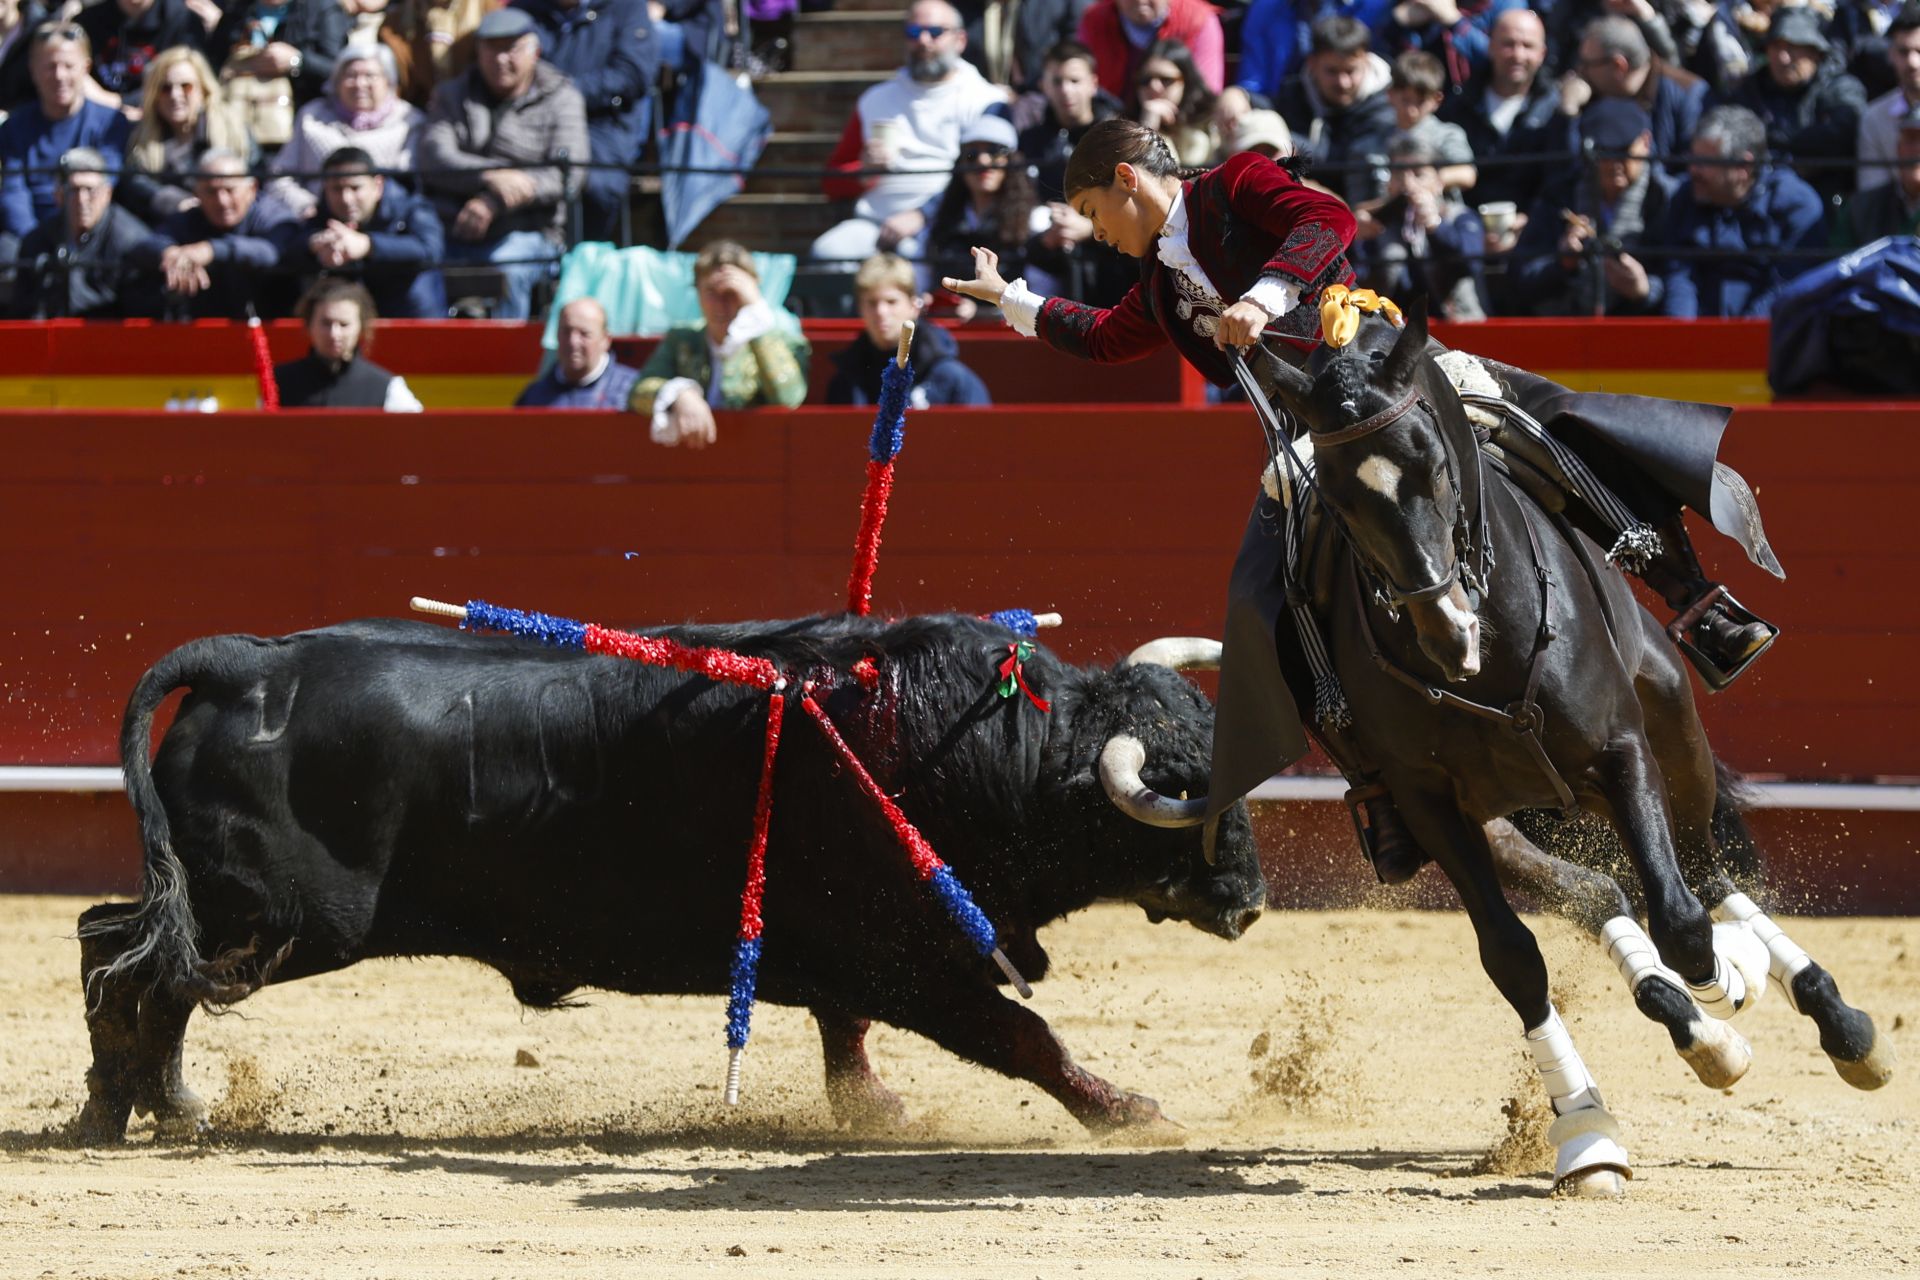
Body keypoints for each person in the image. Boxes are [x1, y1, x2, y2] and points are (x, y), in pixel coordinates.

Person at [942, 115, 1783, 886]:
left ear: (1128, 178)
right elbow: (1101, 337)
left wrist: (1265, 296)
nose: (1099, 234)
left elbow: (1329, 222)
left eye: (1095, 210)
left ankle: (1690, 599)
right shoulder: (1164, 285)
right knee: (1266, 603)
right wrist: (1009, 300)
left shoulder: (1234, 185)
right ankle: (1377, 783)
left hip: (1381, 377)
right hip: (1308, 446)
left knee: (1538, 428)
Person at [419, 6, 588, 319]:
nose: (500, 60)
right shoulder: (452, 94)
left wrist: (493, 202)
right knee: (417, 260)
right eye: (491, 49)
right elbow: (434, 156)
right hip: (451, 225)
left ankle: (507, 363)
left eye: (511, 49)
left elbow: (568, 175)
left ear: (534, 51)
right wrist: (491, 175)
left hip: (531, 229)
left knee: (507, 270)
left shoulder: (561, 96)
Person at [814, 0, 1009, 267]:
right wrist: (863, 172)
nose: (924, 41)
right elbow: (831, 181)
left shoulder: (986, 99)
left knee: (916, 262)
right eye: (914, 33)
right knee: (828, 253)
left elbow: (992, 176)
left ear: (960, 39)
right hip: (873, 221)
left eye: (936, 32)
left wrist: (922, 215)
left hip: (946, 223)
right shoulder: (875, 99)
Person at [626, 242, 811, 443]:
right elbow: (638, 393)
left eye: (732, 293)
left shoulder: (783, 340)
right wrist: (680, 394)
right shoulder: (682, 338)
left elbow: (789, 399)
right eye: (711, 292)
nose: (721, 305)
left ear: (753, 292)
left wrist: (755, 313)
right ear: (697, 292)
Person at [1508, 96, 1674, 315]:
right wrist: (1563, 264)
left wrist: (1644, 289)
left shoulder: (1664, 197)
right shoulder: (1561, 195)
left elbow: (1682, 279)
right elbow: (1520, 278)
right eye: (1605, 152)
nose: (1615, 164)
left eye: (1624, 150)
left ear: (1645, 142)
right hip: (1568, 327)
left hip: (1640, 331)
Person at [510, 0, 657, 242]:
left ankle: (580, 259)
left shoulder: (626, 7)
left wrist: (565, 94)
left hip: (602, 123)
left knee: (596, 187)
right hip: (531, 120)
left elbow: (633, 74)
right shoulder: (525, 8)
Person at [1661, 103, 1826, 316]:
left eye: (1703, 162)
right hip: (1700, 335)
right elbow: (1680, 276)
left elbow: (1788, 288)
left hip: (1768, 338)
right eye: (1691, 158)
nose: (1693, 170)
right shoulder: (1686, 197)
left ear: (1743, 167)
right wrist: (1684, 337)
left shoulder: (1797, 205)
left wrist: (1742, 339)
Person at [0, 25, 132, 259]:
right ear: (33, 71)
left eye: (68, 66)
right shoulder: (14, 127)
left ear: (86, 68)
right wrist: (35, 242)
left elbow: (105, 183)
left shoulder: (112, 123)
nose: (59, 76)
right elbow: (14, 193)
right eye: (50, 67)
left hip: (94, 233)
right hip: (31, 234)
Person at [1720, 6, 1868, 203]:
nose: (1783, 58)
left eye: (1793, 47)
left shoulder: (1841, 88)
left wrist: (1779, 141)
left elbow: (1840, 135)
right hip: (1756, 196)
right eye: (1776, 47)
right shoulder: (1751, 89)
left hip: (1827, 199)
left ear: (1816, 52)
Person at [132, 147, 300, 318]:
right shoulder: (191, 218)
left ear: (252, 188)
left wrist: (210, 250)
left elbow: (273, 251)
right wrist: (171, 253)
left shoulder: (271, 215)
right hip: (203, 330)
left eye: (230, 190)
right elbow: (146, 244)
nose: (222, 201)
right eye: (211, 192)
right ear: (197, 194)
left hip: (270, 325)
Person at [264, 41, 423, 221]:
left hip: (385, 224)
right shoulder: (311, 116)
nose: (359, 83)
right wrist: (308, 207)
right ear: (337, 81)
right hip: (314, 221)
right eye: (350, 75)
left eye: (370, 75)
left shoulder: (409, 121)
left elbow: (410, 185)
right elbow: (279, 177)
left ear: (389, 81)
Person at [282, 144, 447, 317]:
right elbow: (290, 248)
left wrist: (368, 245)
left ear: (378, 185)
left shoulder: (411, 206)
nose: (346, 199)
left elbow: (431, 250)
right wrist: (314, 244)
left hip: (412, 319)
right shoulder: (323, 213)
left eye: (355, 188)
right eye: (336, 189)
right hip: (346, 328)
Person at [922, 113, 1056, 300]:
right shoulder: (941, 216)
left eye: (995, 152)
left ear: (1011, 160)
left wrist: (982, 310)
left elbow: (1042, 294)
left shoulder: (1036, 219)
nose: (983, 162)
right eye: (972, 154)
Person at [1354, 133, 1489, 318]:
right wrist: (1353, 236)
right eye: (1399, 173)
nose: (1408, 184)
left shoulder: (1460, 217)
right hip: (1389, 331)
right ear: (1389, 182)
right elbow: (1355, 278)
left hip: (1455, 327)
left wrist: (1436, 226)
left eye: (1419, 174)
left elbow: (1470, 265)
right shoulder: (1375, 223)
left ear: (1439, 181)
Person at [829, 251, 989, 406]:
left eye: (891, 302)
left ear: (914, 306)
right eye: (871, 302)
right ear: (860, 308)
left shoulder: (951, 378)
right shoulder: (847, 379)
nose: (880, 312)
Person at [1440, 7, 1559, 213]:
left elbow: (1560, 182)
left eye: (1527, 46)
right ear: (1490, 46)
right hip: (1465, 229)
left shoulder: (1555, 108)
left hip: (1536, 235)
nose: (1518, 54)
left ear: (1542, 53)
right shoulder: (1459, 105)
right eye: (1508, 44)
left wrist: (1532, 224)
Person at [119, 47, 255, 226]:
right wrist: (173, 201)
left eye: (186, 86)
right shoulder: (142, 138)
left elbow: (256, 175)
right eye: (165, 88)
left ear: (203, 90)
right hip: (167, 228)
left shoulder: (232, 129)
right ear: (154, 95)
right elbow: (134, 184)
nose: (175, 95)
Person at [1270, 15, 1398, 205]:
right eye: (1332, 71)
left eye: (1350, 71)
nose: (1343, 83)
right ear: (1312, 63)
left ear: (1367, 61)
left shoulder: (1391, 102)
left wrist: (1287, 145)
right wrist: (1239, 96)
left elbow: (1341, 158)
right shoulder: (1293, 94)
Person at [12, 146, 152, 317]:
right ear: (58, 195)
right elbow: (24, 312)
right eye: (74, 190)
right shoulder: (36, 241)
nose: (82, 200)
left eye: (90, 190)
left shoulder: (130, 240)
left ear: (107, 193)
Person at [1560, 15, 1707, 177]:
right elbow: (1567, 175)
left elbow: (1690, 178)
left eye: (1587, 64)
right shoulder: (1588, 94)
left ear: (1619, 65)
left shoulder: (1688, 94)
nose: (1580, 72)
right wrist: (1568, 112)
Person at [275, 276, 424, 409]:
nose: (334, 334)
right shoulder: (279, 382)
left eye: (344, 324)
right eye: (326, 323)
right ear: (309, 325)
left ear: (361, 328)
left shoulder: (385, 387)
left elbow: (419, 433)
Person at [1018, 39, 1120, 202]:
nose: (1065, 90)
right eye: (1057, 81)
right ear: (1043, 86)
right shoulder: (1030, 141)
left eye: (1074, 81)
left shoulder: (1114, 138)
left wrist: (1088, 225)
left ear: (1093, 84)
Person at [210, 0, 354, 115]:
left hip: (299, 118)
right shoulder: (237, 11)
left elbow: (339, 70)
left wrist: (297, 61)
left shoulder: (321, 7)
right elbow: (212, 65)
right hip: (239, 116)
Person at [1074, 0, 1223, 109]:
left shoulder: (1198, 21)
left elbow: (1206, 97)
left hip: (1182, 127)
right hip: (1112, 126)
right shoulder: (1094, 21)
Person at [515, 296, 642, 408]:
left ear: (605, 340)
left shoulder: (631, 393)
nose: (573, 342)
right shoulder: (534, 397)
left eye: (584, 334)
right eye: (566, 331)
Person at [76, 0, 210, 105]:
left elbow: (189, 83)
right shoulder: (86, 22)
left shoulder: (182, 21)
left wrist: (115, 102)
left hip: (157, 121)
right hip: (98, 119)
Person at [1379, 0, 1526, 95]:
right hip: (1422, 99)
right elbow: (1370, 49)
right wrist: (1396, 22)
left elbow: (1504, 61)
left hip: (1477, 104)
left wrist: (1456, 22)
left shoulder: (1508, 5)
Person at [1384, 48, 1476, 192]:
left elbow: (1467, 173)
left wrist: (1429, 180)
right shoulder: (1376, 138)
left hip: (1443, 211)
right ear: (1390, 95)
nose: (1411, 110)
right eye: (1405, 100)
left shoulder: (1447, 134)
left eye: (1420, 102)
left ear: (1437, 100)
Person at [1835, 98, 1920, 242]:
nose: (1917, 150)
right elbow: (1839, 262)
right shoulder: (1862, 209)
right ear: (1898, 149)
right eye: (1911, 140)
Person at [1856, 4, 1920, 193]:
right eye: (1903, 52)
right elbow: (1872, 197)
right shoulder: (1874, 119)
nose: (1912, 62)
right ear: (1890, 55)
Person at [379, 0, 489, 105]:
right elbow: (398, 91)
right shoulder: (393, 26)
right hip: (421, 114)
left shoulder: (488, 11)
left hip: (477, 106)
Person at [1133, 37, 1218, 165]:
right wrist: (1147, 128)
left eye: (1166, 80)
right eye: (1145, 80)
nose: (1154, 86)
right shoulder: (1121, 126)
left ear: (1187, 81)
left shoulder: (1213, 119)